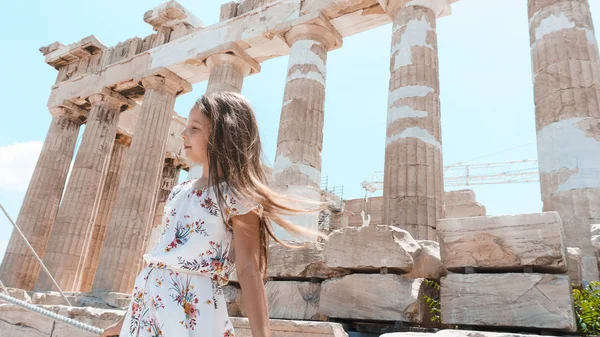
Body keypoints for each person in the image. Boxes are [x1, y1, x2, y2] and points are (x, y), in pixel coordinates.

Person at [101, 92, 323, 337]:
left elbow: (248, 268)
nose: (184, 134)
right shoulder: (178, 191)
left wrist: (262, 335)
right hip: (146, 314)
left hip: (192, 310)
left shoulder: (237, 196)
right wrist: (124, 322)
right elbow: (160, 261)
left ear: (222, 135)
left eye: (195, 128)